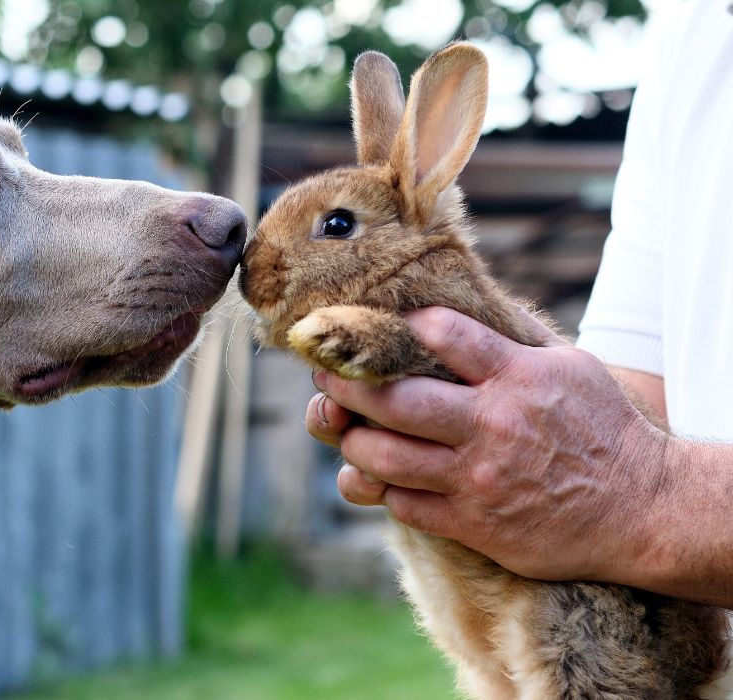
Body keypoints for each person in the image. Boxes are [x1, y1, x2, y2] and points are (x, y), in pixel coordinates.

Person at [305, 0, 733, 608]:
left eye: (338, 226)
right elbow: (635, 401)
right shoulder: (694, 34)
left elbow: (620, 474)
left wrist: (647, 496)